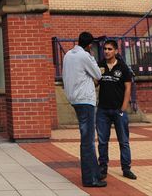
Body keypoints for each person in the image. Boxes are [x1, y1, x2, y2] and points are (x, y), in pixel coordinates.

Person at [62, 31, 105, 188]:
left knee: (87, 139)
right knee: (87, 141)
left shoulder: (68, 55)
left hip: (74, 98)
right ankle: (90, 179)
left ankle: (95, 174)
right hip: (85, 100)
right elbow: (98, 74)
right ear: (88, 45)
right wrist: (92, 56)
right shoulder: (85, 56)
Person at [96, 40, 137, 181]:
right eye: (105, 49)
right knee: (102, 141)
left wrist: (123, 108)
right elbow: (95, 83)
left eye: (110, 49)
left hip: (118, 110)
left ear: (116, 51)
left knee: (124, 141)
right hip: (102, 110)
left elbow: (128, 88)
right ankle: (103, 168)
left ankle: (126, 168)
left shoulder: (123, 67)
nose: (106, 51)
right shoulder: (100, 65)